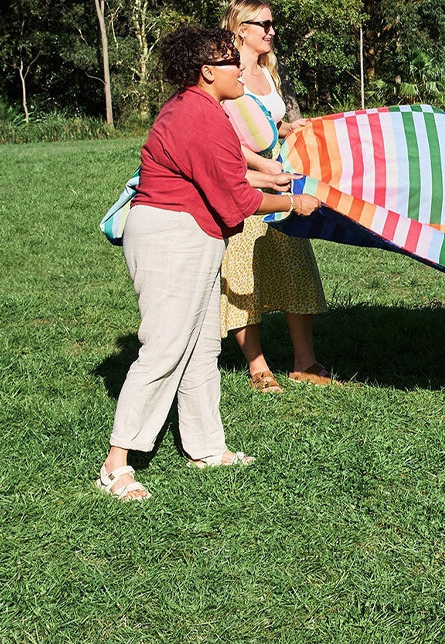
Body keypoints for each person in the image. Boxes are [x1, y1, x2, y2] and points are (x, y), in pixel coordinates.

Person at [97, 27, 320, 501]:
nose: (239, 67)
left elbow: (225, 168)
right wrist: (290, 202)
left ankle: (206, 448)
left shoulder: (202, 110)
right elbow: (234, 197)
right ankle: (117, 462)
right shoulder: (198, 115)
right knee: (165, 347)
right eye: (228, 61)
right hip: (169, 237)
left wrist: (271, 177)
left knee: (201, 346)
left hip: (193, 234)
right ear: (206, 72)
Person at [219, 0, 332, 394]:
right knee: (242, 274)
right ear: (241, 29)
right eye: (263, 24)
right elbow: (223, 135)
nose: (271, 30)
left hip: (282, 178)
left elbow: (262, 123)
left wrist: (286, 128)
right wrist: (261, 166)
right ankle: (258, 368)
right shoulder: (223, 73)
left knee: (294, 263)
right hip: (243, 180)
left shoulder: (268, 73)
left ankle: (306, 361)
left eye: (271, 23)